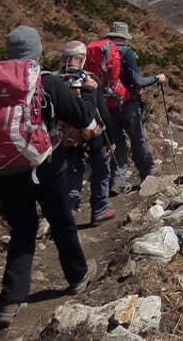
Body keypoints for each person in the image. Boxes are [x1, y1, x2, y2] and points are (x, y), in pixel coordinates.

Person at [0, 25, 98, 330]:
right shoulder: (46, 81)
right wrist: (89, 91)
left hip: (4, 169)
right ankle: (77, 275)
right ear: (37, 51)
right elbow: (83, 117)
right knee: (61, 220)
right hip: (47, 165)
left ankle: (10, 300)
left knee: (22, 228)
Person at [103, 21, 166, 195]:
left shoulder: (103, 51)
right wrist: (156, 78)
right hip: (128, 104)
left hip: (108, 104)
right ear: (125, 36)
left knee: (117, 142)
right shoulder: (127, 52)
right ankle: (148, 175)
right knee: (138, 139)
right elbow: (137, 81)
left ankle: (117, 182)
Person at [59, 40, 115, 225]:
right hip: (93, 133)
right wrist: (111, 138)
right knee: (100, 170)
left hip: (68, 136)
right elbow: (102, 111)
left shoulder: (55, 79)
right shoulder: (90, 79)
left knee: (73, 171)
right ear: (83, 59)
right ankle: (99, 209)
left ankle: (70, 210)